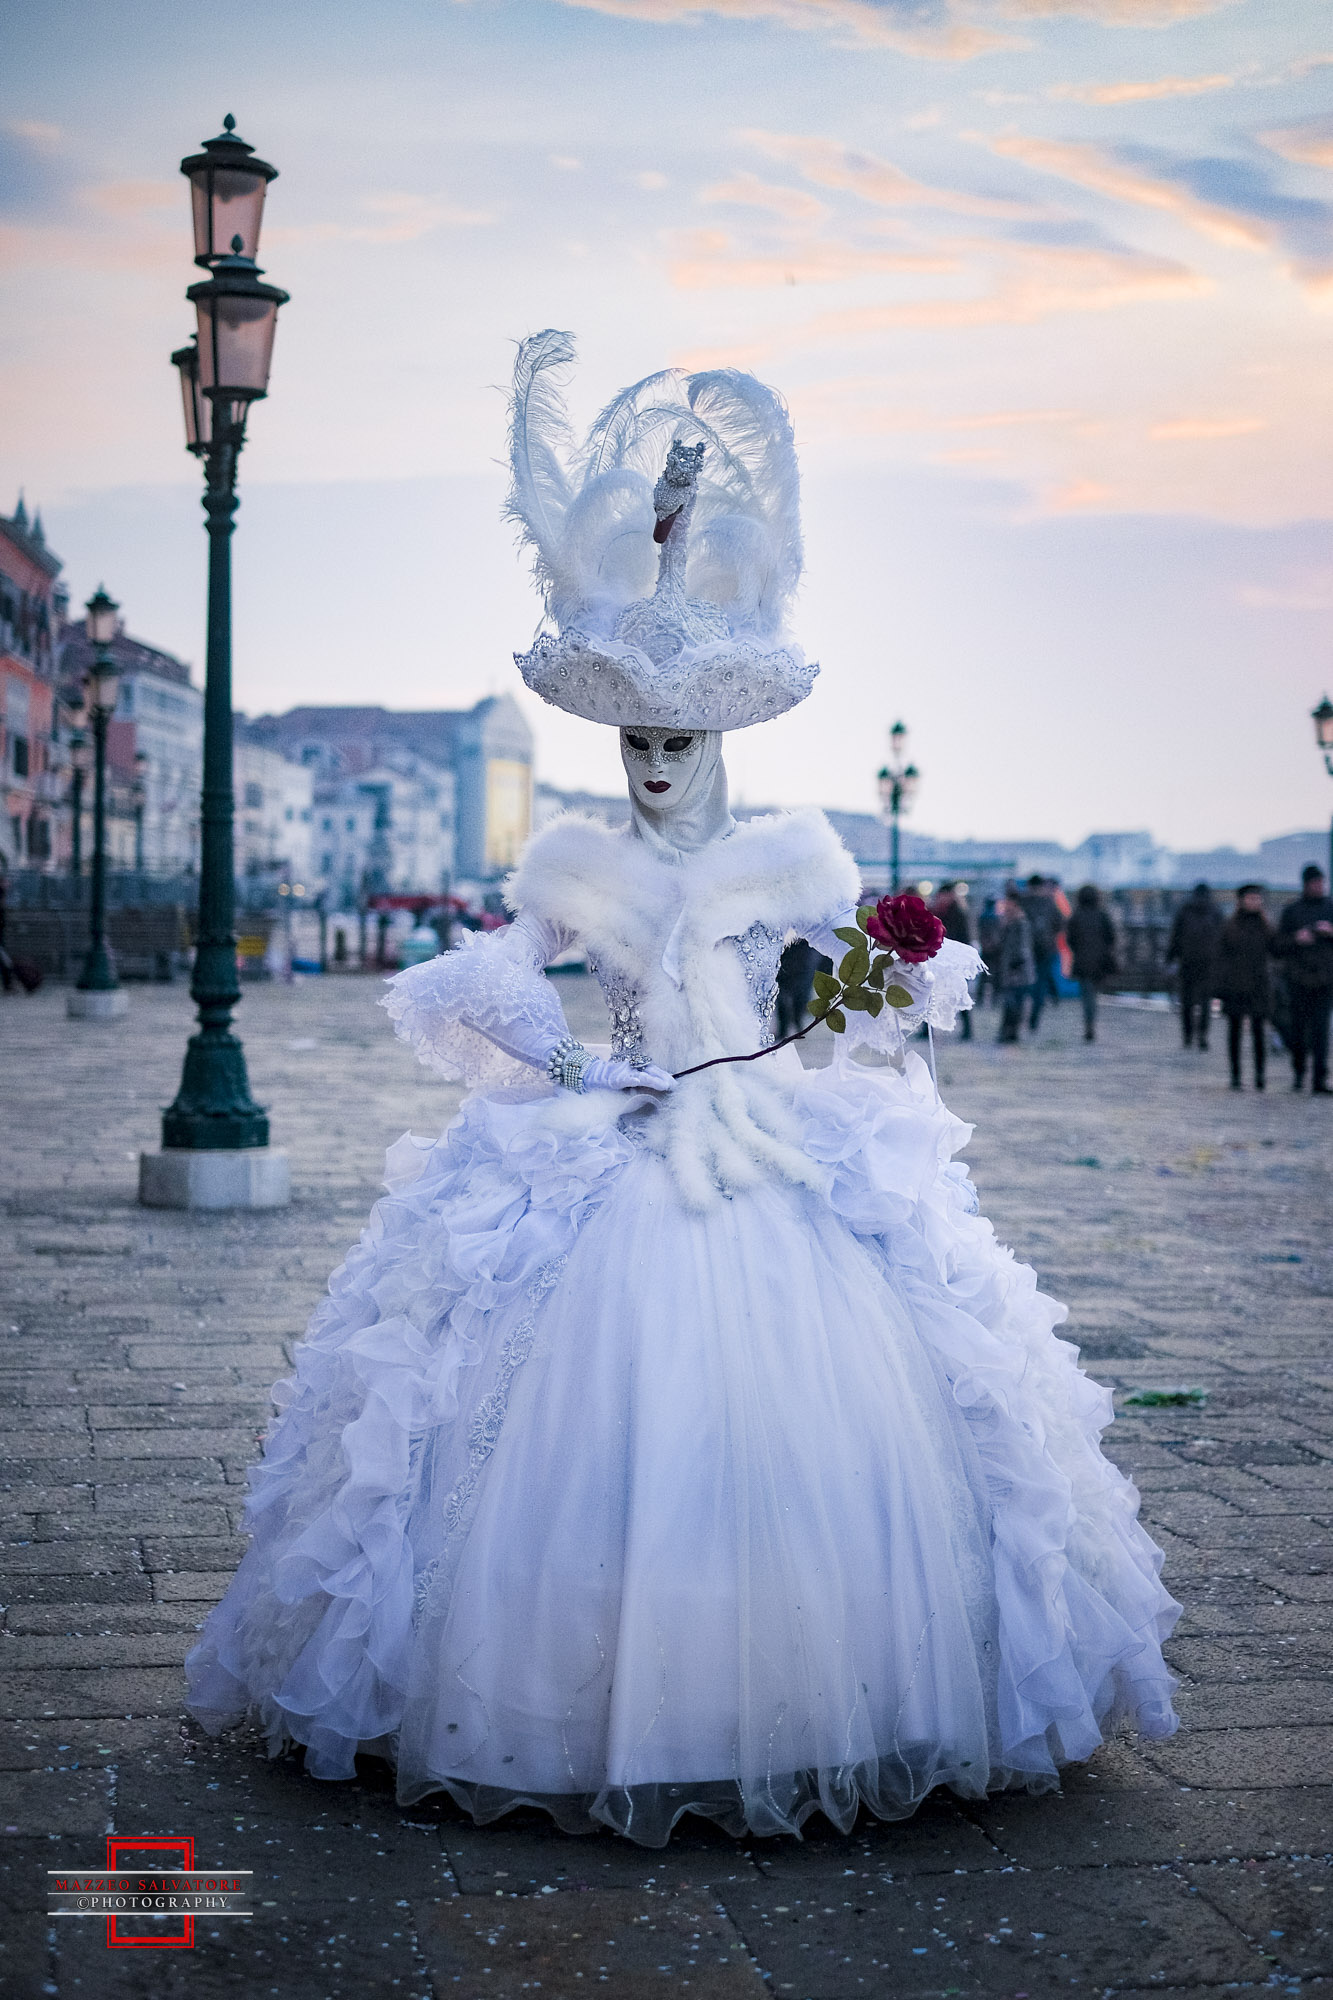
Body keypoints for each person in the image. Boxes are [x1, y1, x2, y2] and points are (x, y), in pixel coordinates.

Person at [185, 336, 1178, 1845]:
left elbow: (892, 978)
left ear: (715, 739)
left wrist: (871, 983)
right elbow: (471, 983)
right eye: (635, 742)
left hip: (767, 1136)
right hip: (618, 1137)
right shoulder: (576, 869)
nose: (654, 768)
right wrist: (584, 1063)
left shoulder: (782, 861)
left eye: (677, 742)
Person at [1271, 864, 1333, 1095]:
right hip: (1298, 980)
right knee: (1298, 1029)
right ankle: (1299, 1071)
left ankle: (1319, 1078)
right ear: (1306, 885)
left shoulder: (1330, 908)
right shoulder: (1292, 911)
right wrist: (1297, 938)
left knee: (1321, 1032)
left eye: (1322, 883)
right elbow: (1277, 946)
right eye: (1316, 883)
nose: (1320, 887)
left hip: (1324, 980)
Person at [1214, 885, 1272, 1091]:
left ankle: (1260, 1074)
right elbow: (1220, 958)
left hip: (1258, 985)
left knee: (1258, 1032)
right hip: (1235, 986)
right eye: (1251, 898)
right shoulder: (1230, 926)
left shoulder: (1265, 926)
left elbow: (1276, 949)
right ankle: (1236, 1075)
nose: (1254, 902)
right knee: (1235, 1031)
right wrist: (1220, 987)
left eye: (1257, 898)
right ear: (1241, 900)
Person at [1166, 883, 1222, 1051]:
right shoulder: (1215, 911)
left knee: (1187, 1000)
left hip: (1187, 961)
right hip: (1208, 962)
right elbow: (1222, 938)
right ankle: (1203, 1035)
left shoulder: (1185, 910)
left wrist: (1170, 958)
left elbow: (1175, 936)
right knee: (1205, 1001)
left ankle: (1188, 1035)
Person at [1066, 884, 1117, 1042]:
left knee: (1087, 994)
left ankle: (1089, 1023)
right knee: (1093, 993)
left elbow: (1070, 939)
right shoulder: (1102, 915)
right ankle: (1090, 1023)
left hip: (1082, 960)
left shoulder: (1076, 916)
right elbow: (1111, 938)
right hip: (1099, 961)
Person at [931, 882, 974, 1039]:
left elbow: (965, 938)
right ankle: (927, 1029)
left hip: (954, 961)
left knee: (959, 994)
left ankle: (968, 1030)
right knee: (931, 994)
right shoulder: (937, 911)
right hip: (938, 959)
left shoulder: (959, 912)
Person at [994, 887, 1036, 1045]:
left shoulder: (1020, 922)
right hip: (1010, 968)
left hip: (1018, 969)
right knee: (1011, 1002)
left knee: (1014, 1002)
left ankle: (1011, 1031)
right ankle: (1008, 1031)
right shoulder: (1008, 920)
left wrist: (1016, 964)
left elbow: (1022, 947)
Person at [1020, 875, 1061, 1034]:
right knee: (1041, 985)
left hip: (1026, 949)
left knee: (1025, 984)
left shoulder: (1023, 902)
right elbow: (1060, 922)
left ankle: (1021, 1016)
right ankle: (1033, 1020)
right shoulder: (1049, 902)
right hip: (1046, 949)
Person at [774, 936, 825, 1039]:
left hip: (803, 952)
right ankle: (786, 1027)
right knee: (784, 991)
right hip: (792, 951)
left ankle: (796, 1023)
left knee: (800, 990)